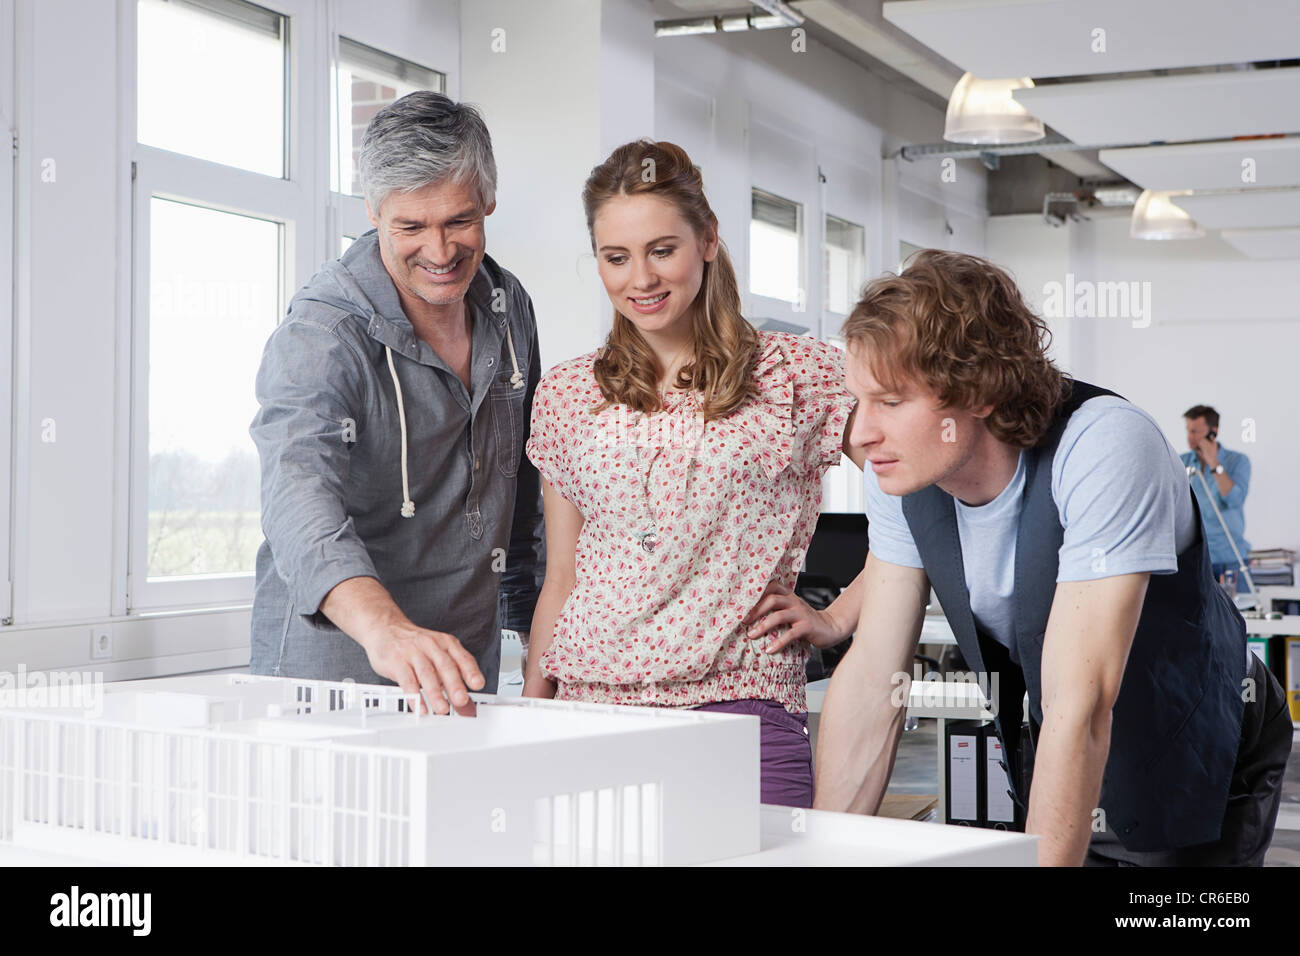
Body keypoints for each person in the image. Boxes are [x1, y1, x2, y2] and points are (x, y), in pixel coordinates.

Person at [754, 250, 1290, 864]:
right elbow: (876, 677)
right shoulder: (899, 478)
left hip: (1202, 728)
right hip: (1071, 732)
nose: (861, 432)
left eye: (893, 402)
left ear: (978, 391)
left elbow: (1079, 705)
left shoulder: (1105, 446)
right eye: (861, 400)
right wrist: (827, 855)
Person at [521, 140, 868, 807]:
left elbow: (925, 497)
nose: (640, 280)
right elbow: (561, 578)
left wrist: (840, 616)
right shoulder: (567, 393)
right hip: (587, 712)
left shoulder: (795, 375)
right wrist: (535, 717)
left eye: (662, 249)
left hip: (740, 707)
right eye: (615, 257)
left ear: (707, 240)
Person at [249, 92, 544, 715]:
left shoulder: (508, 307)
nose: (440, 254)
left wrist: (532, 630)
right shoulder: (323, 335)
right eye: (411, 227)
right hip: (333, 681)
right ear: (374, 211)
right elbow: (297, 497)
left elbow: (521, 481)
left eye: (459, 222)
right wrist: (386, 628)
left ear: (488, 201)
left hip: (464, 672)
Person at [1181, 405, 1252, 592]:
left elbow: (1234, 499)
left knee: (1237, 617)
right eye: (1188, 430)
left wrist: (1214, 462)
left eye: (1196, 431)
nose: (1190, 437)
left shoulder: (1238, 461)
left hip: (1230, 559)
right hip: (1197, 559)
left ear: (1213, 432)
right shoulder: (1183, 462)